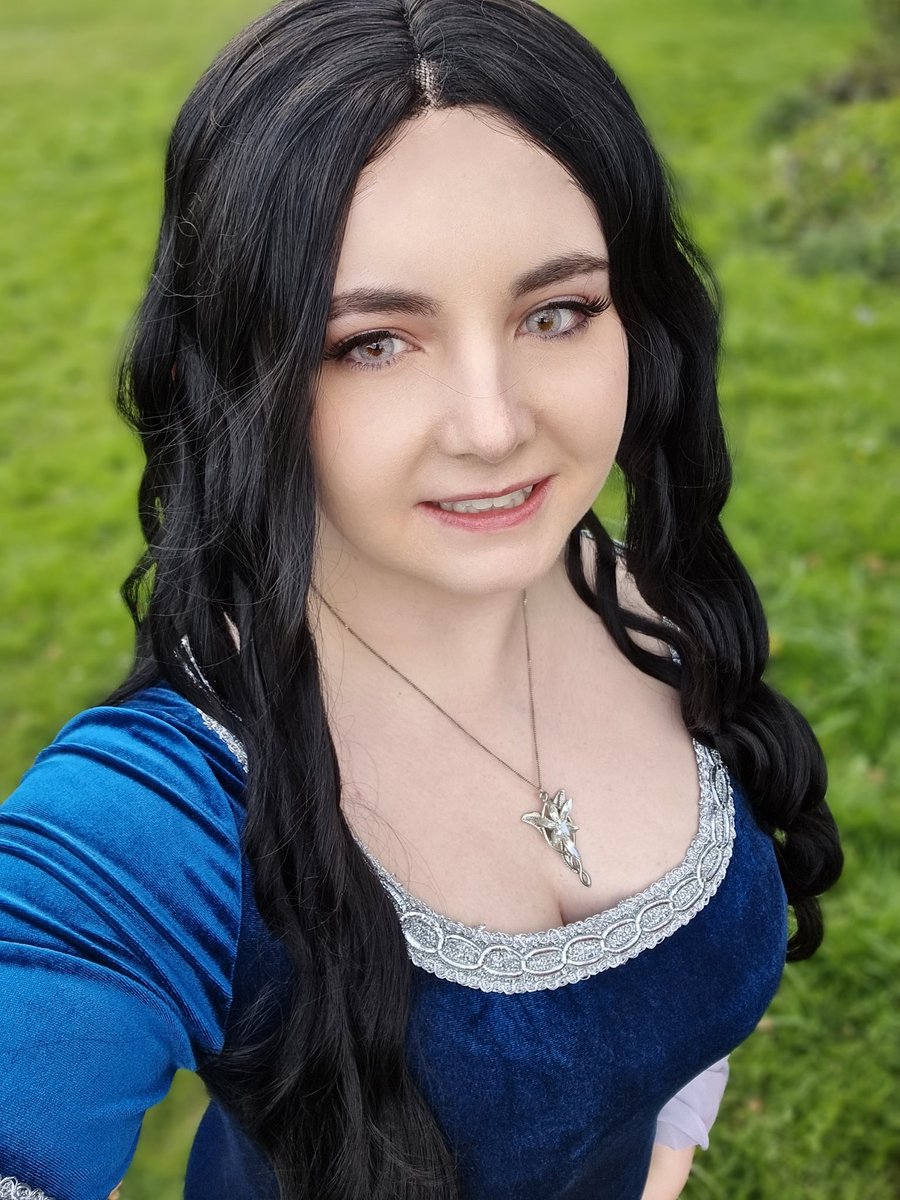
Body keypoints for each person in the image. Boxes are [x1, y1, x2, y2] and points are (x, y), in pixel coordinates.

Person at [0, 1, 844, 1198]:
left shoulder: (651, 606)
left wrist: (665, 1155)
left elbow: (667, 1025)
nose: (495, 428)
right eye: (373, 343)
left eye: (557, 313)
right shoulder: (152, 825)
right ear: (231, 373)